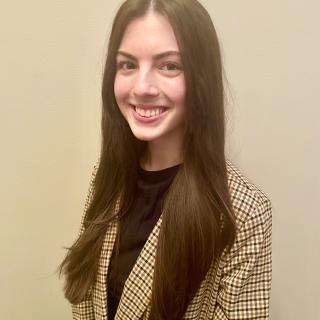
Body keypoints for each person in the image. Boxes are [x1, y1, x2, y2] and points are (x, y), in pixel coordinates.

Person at [59, 0, 272, 319]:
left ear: (201, 78)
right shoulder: (106, 179)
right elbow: (86, 301)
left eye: (169, 65)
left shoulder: (242, 213)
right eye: (128, 65)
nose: (142, 87)